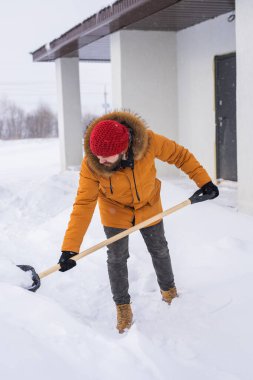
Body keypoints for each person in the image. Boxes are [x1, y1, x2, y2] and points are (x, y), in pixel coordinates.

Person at [58, 110, 219, 333]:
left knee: (159, 249)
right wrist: (70, 248)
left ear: (123, 148)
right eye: (97, 156)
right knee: (116, 257)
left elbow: (179, 156)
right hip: (114, 209)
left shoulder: (149, 142)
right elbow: (83, 204)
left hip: (148, 205)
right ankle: (123, 306)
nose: (100, 161)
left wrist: (204, 182)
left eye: (106, 157)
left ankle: (169, 291)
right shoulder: (93, 163)